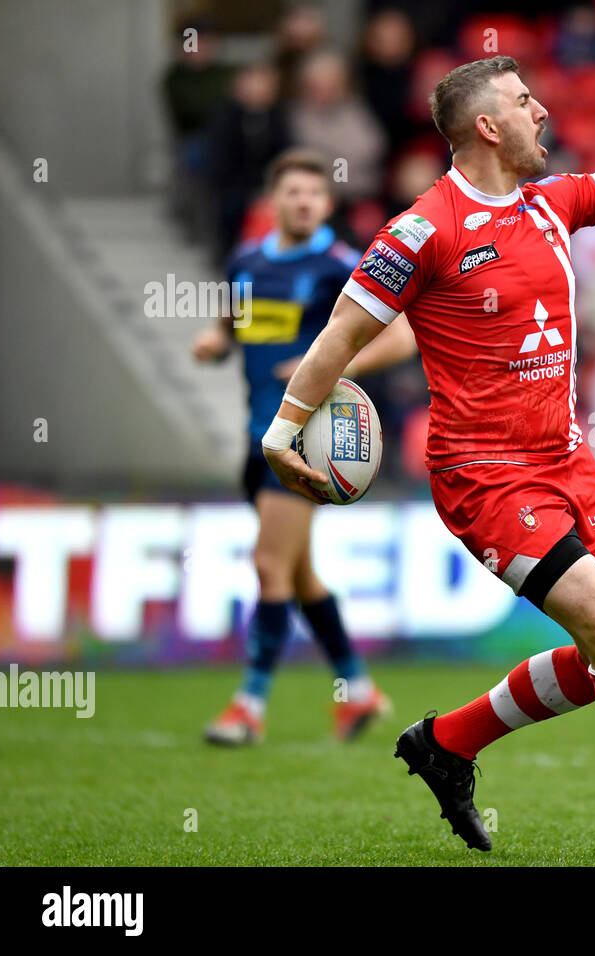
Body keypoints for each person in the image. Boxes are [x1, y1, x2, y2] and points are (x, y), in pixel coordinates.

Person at [259, 56, 595, 859]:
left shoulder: (551, 204)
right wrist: (282, 430)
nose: (541, 111)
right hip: (485, 474)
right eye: (523, 102)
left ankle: (447, 743)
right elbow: (342, 335)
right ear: (488, 126)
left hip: (568, 457)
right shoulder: (422, 230)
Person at [192, 149, 391, 745]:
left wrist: (324, 370)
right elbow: (234, 323)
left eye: (314, 194)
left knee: (268, 564)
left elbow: (400, 334)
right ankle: (358, 692)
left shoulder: (341, 266)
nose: (303, 202)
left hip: (306, 438)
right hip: (257, 437)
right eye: (293, 193)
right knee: (301, 577)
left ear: (327, 205)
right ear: (273, 202)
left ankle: (248, 707)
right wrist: (214, 339)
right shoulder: (247, 262)